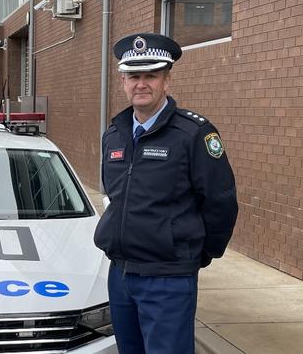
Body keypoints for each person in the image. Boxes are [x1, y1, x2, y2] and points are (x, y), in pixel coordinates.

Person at [94, 33, 239, 353]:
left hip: (168, 279)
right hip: (120, 276)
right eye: (134, 76)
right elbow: (116, 197)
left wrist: (197, 254)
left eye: (151, 75)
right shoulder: (115, 134)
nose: (141, 83)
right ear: (123, 81)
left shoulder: (193, 134)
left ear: (166, 80)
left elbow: (222, 202)